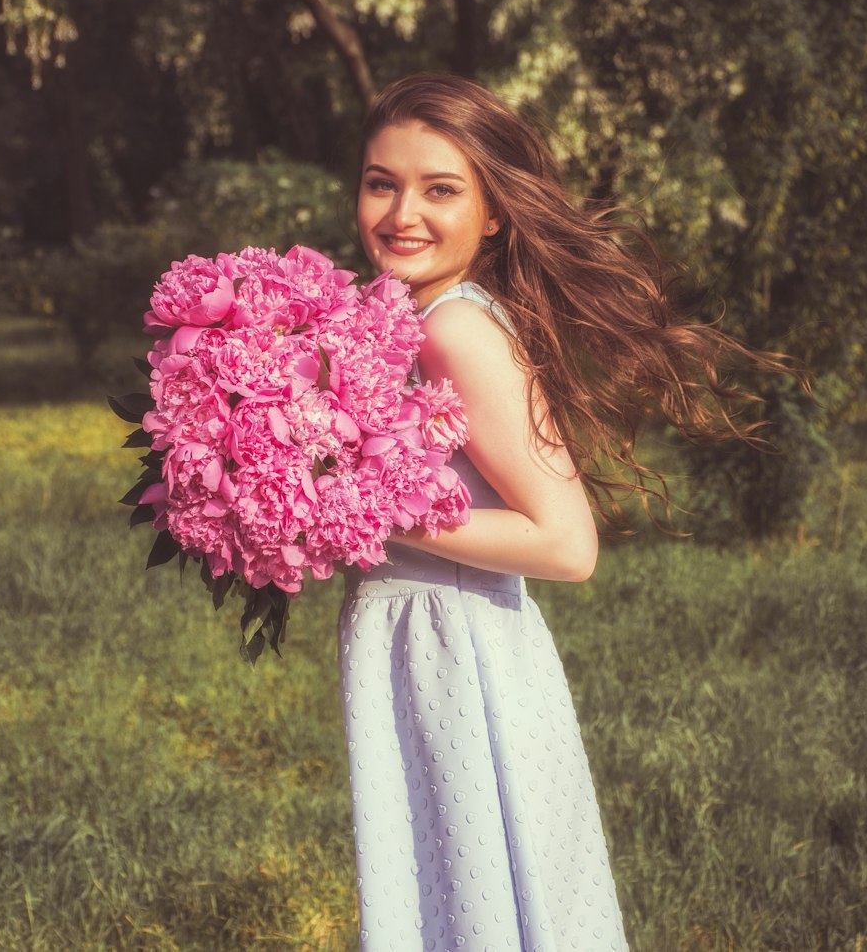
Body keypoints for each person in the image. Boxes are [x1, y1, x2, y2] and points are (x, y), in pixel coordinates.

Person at [338, 73, 791, 951]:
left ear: (495, 211)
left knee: (472, 900)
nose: (402, 213)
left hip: (457, 655)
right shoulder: (407, 314)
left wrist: (353, 505)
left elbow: (565, 540)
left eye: (441, 189)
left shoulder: (455, 329)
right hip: (428, 643)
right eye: (380, 181)